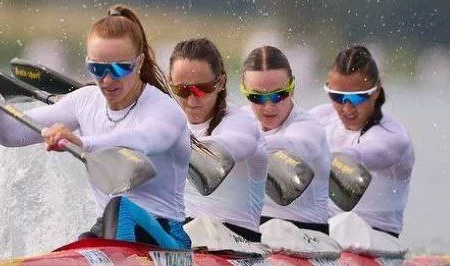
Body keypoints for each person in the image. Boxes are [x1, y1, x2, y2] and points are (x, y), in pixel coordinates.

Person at [0, 5, 191, 249]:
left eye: (119, 68)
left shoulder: (164, 110)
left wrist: (83, 142)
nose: (107, 79)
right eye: (97, 68)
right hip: (108, 228)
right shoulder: (84, 100)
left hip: (166, 238)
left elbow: (144, 141)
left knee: (119, 205)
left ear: (139, 62)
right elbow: (11, 134)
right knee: (95, 230)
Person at [309, 45, 414, 250]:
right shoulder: (320, 117)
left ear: (375, 92)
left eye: (357, 98)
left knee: (345, 224)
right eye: (337, 97)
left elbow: (357, 155)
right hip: (324, 233)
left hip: (377, 241)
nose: (347, 108)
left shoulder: (393, 137)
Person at [169, 38, 267, 244]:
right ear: (171, 84)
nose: (192, 100)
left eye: (202, 88)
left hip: (237, 240)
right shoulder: (167, 123)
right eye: (182, 90)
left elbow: (225, 150)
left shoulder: (240, 123)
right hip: (184, 231)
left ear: (220, 83)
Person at [241, 45, 331, 233]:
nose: (268, 106)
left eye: (278, 95)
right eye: (257, 97)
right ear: (244, 91)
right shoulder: (239, 121)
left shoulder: (308, 128)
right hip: (255, 231)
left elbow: (295, 146)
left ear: (292, 88)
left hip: (306, 234)